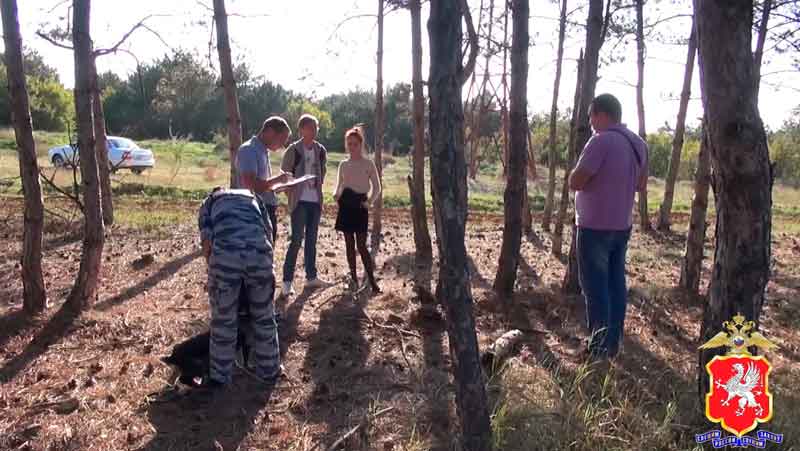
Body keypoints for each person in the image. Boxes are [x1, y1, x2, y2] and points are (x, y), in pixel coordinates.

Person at [568, 93, 648, 360]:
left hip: (594, 227)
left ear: (601, 114)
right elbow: (641, 185)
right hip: (621, 226)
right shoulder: (638, 144)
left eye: (591, 116)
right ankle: (612, 343)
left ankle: (598, 348)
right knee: (615, 285)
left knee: (595, 287)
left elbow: (577, 181)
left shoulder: (600, 140)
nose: (590, 122)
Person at [198, 187, 281, 387]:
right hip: (259, 254)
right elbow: (269, 234)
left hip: (227, 255)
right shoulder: (255, 197)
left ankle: (220, 377)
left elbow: (207, 243)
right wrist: (266, 268)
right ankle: (269, 370)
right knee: (264, 316)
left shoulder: (209, 202)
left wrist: (214, 277)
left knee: (223, 320)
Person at [280, 114, 329, 297]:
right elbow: (284, 176)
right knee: (296, 240)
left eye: (315, 128)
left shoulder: (321, 150)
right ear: (301, 130)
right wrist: (292, 194)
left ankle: (311, 277)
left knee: (311, 240)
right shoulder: (294, 150)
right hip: (299, 202)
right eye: (310, 128)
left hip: (315, 201)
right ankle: (287, 281)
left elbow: (322, 174)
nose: (313, 131)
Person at [333, 126, 382, 293]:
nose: (352, 147)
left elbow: (377, 188)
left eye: (355, 144)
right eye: (349, 144)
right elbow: (339, 185)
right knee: (348, 243)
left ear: (361, 144)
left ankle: (372, 280)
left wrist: (369, 202)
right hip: (346, 204)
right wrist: (336, 195)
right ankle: (353, 278)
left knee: (361, 245)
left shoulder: (368, 164)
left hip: (360, 205)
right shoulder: (343, 164)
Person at [238, 116, 293, 243]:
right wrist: (277, 180)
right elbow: (250, 186)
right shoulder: (249, 150)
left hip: (265, 209)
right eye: (281, 139)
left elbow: (264, 185)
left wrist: (281, 186)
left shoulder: (262, 150)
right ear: (269, 132)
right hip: (254, 211)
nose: (282, 145)